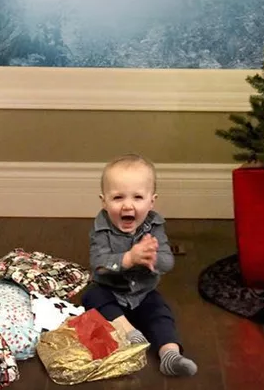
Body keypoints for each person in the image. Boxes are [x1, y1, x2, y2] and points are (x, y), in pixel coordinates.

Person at [83, 154, 198, 377]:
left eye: (137, 197)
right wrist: (128, 259)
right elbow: (98, 264)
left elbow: (167, 262)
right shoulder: (101, 229)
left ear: (151, 201)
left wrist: (152, 258)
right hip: (110, 291)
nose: (128, 205)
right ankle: (128, 332)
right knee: (92, 297)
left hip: (143, 293)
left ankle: (170, 355)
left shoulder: (154, 226)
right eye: (117, 198)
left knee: (160, 312)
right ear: (104, 201)